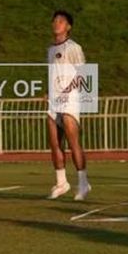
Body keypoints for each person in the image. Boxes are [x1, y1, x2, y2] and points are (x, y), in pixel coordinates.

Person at [46, 10, 90, 201]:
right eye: (55, 20)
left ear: (68, 27)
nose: (57, 23)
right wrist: (49, 91)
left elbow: (83, 74)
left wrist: (67, 91)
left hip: (70, 99)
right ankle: (61, 182)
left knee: (73, 142)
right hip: (54, 101)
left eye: (61, 21)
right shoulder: (50, 50)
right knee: (54, 142)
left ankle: (83, 183)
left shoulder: (74, 48)